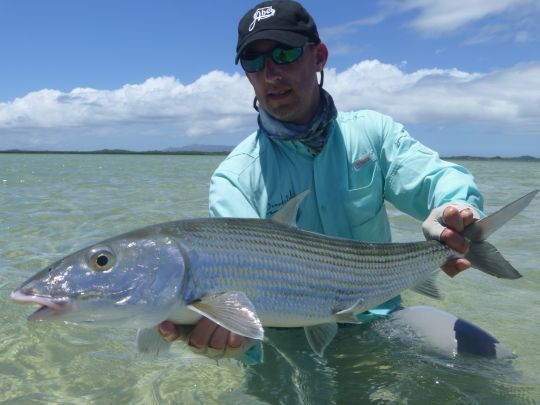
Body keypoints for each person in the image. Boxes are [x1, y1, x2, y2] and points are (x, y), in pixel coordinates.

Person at [158, 0, 483, 361]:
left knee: (489, 365)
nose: (270, 74)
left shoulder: (373, 134)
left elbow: (437, 178)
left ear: (319, 57)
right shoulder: (235, 177)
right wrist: (237, 344)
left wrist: (457, 212)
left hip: (379, 319)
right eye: (254, 61)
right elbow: (235, 301)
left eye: (284, 54)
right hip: (281, 341)